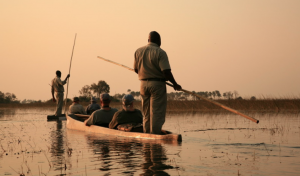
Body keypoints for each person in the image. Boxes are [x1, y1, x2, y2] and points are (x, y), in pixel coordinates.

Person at [134, 31, 182, 134]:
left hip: (143, 84)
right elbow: (166, 72)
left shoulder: (138, 51)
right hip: (157, 85)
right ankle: (154, 136)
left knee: (146, 113)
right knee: (156, 113)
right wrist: (175, 84)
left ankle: (146, 136)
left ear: (148, 40)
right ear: (159, 41)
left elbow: (136, 69)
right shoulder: (160, 52)